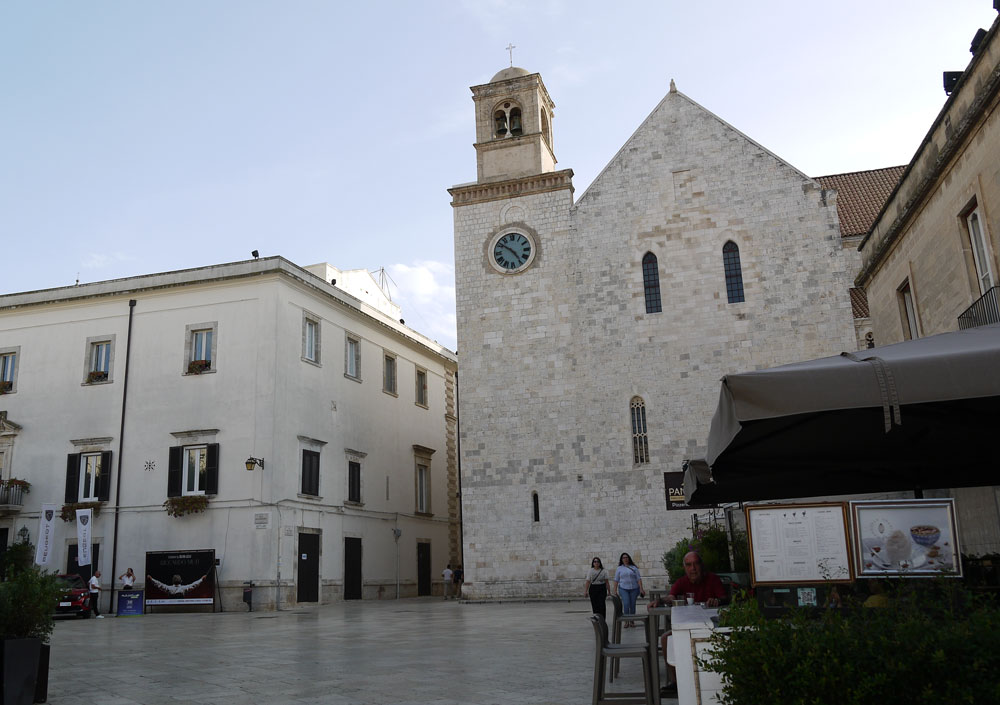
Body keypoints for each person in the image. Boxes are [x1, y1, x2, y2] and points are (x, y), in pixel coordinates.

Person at [648, 551, 728, 697]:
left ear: (701, 565)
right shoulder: (682, 582)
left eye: (696, 564)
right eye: (689, 565)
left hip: (710, 628)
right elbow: (671, 596)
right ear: (684, 567)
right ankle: (677, 683)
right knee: (666, 638)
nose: (693, 568)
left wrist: (717, 601)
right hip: (687, 628)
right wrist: (659, 601)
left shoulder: (712, 579)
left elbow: (724, 598)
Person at [611, 553, 644, 628]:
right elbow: (616, 580)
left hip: (634, 588)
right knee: (626, 604)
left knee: (632, 605)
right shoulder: (619, 568)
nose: (625, 559)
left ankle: (632, 621)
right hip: (623, 588)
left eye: (626, 557)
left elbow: (638, 579)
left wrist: (641, 588)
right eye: (623, 558)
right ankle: (626, 621)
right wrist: (615, 590)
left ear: (629, 558)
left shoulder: (634, 568)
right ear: (621, 559)